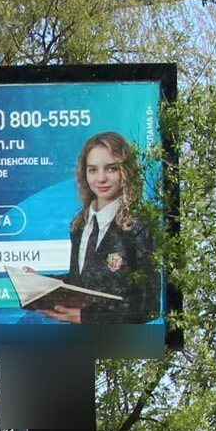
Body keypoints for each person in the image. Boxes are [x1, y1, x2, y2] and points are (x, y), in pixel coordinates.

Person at [33, 131, 158, 324]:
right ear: (84, 173)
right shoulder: (80, 226)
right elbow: (83, 283)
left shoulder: (139, 225)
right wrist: (40, 283)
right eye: (92, 170)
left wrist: (88, 317)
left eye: (111, 169)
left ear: (126, 171)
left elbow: (148, 305)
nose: (101, 179)